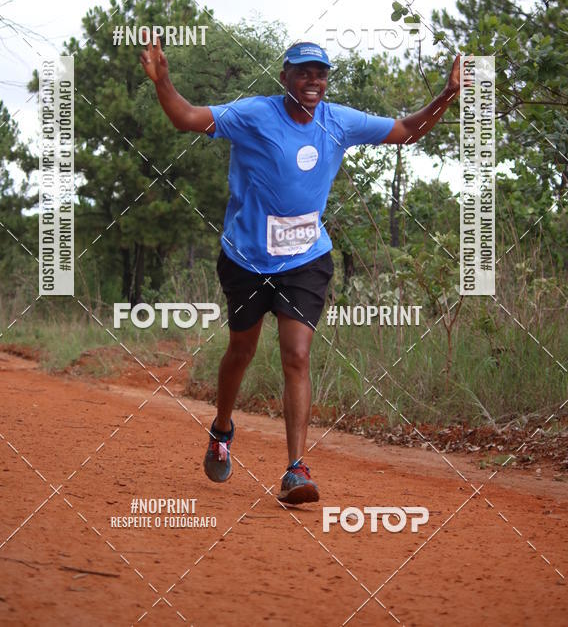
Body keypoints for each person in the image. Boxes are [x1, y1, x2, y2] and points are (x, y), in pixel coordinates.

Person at [140, 37, 463, 505]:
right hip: (247, 258)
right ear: (284, 77)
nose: (313, 81)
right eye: (303, 73)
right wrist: (164, 80)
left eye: (320, 74)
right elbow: (185, 117)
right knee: (241, 351)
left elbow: (408, 131)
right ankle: (222, 428)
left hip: (305, 259)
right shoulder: (254, 114)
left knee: (296, 355)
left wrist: (448, 95)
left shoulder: (339, 121)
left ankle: (295, 469)